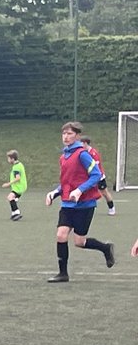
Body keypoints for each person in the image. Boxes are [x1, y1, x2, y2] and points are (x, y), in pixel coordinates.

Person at [44, 121, 115, 283]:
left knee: (79, 242)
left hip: (85, 205)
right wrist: (54, 193)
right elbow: (66, 182)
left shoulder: (82, 154)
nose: (66, 137)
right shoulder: (63, 157)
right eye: (64, 134)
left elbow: (96, 175)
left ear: (77, 136)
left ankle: (105, 248)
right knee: (61, 235)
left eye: (69, 134)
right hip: (68, 204)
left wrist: (80, 190)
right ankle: (63, 274)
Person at [79, 137, 117, 215]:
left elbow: (96, 167)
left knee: (105, 193)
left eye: (81, 143)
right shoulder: (83, 152)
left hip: (98, 177)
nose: (80, 145)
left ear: (85, 143)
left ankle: (111, 208)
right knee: (84, 192)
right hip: (89, 178)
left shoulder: (93, 153)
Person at [2, 149, 27, 221]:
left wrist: (8, 184)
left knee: (10, 197)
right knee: (12, 199)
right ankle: (14, 214)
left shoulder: (16, 167)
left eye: (8, 158)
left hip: (19, 187)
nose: (8, 160)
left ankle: (17, 213)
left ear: (12, 159)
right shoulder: (20, 164)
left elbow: (18, 178)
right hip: (21, 187)